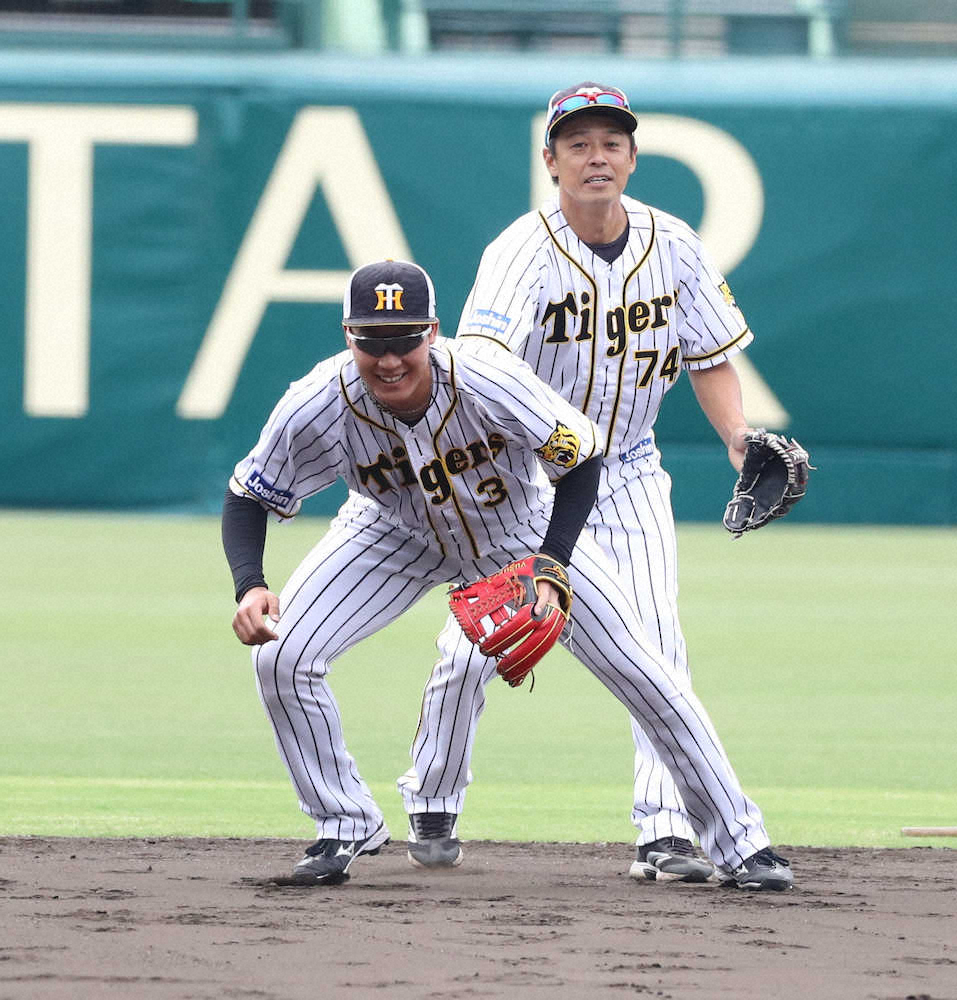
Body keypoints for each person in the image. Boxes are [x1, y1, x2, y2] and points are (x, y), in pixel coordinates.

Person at [222, 258, 782, 889]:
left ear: (432, 332)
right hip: (388, 532)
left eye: (403, 339)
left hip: (516, 527)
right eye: (372, 340)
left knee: (647, 673)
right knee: (280, 656)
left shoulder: (488, 377)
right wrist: (250, 583)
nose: (388, 358)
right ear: (348, 336)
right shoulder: (318, 401)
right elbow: (248, 494)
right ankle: (343, 821)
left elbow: (583, 456)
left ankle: (742, 843)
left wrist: (551, 563)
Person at [397, 83, 794, 890]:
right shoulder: (520, 251)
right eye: (577, 144)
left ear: (633, 157)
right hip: (523, 475)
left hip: (631, 471)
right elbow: (479, 365)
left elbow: (710, 354)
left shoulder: (673, 242)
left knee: (654, 647)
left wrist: (735, 441)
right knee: (475, 647)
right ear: (550, 162)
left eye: (610, 142)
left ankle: (665, 830)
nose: (596, 156)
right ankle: (432, 799)